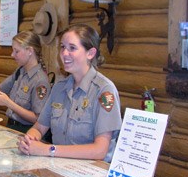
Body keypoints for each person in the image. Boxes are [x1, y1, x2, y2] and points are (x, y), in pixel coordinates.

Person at [17, 24, 122, 163]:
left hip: (91, 174)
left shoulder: (104, 91)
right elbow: (39, 127)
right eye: (62, 47)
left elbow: (100, 150)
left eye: (72, 48)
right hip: (59, 168)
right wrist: (29, 140)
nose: (64, 53)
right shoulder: (59, 88)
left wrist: (49, 150)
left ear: (90, 53)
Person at [0, 30, 51, 133]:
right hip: (12, 127)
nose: (12, 55)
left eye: (16, 51)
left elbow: (38, 119)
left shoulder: (40, 81)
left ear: (30, 51)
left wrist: (9, 103)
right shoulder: (20, 72)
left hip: (27, 131)